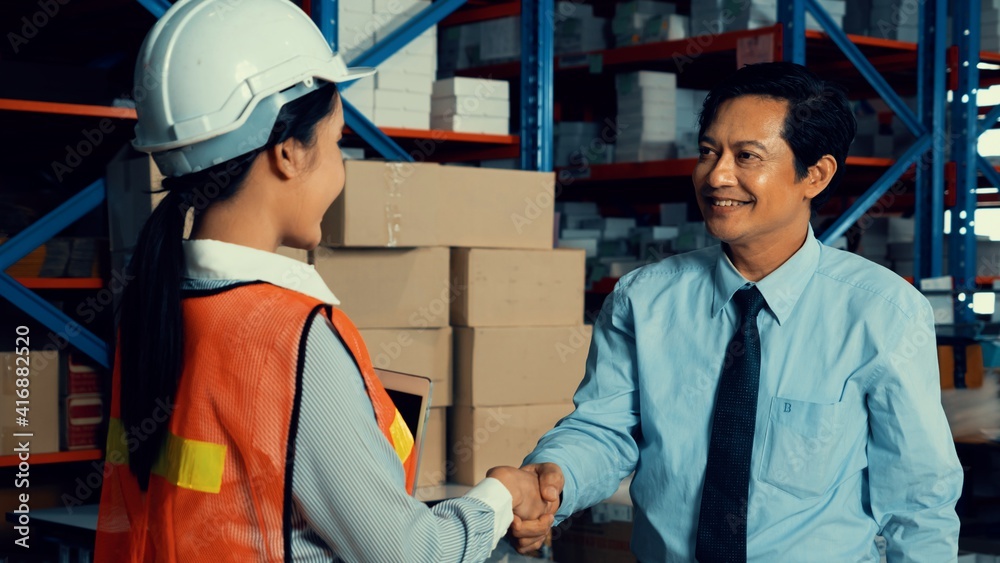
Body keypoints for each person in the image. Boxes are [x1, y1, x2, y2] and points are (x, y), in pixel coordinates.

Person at [94, 1, 549, 561]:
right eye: (335, 142)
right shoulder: (292, 339)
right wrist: (503, 494)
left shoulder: (153, 304)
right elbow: (412, 554)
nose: (340, 167)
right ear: (287, 151)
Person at [506, 62, 963, 561]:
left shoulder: (882, 313)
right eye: (708, 152)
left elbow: (918, 500)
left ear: (815, 174)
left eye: (747, 156)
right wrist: (554, 479)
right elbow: (605, 429)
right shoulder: (643, 299)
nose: (717, 175)